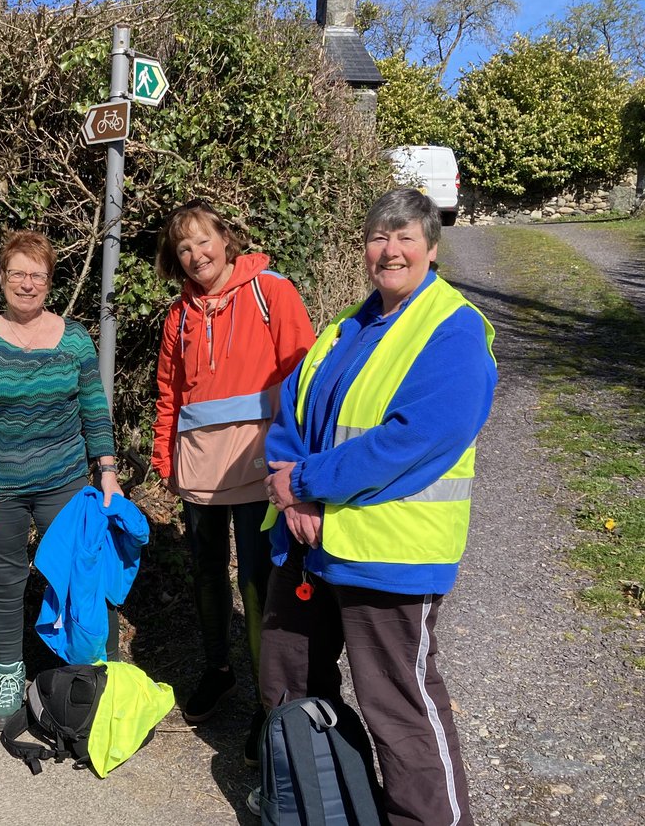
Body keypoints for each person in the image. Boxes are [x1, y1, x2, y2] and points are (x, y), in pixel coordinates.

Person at [256, 188, 497, 824]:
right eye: (378, 237)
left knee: (398, 707)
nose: (390, 250)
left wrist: (307, 483)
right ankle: (322, 801)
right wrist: (291, 480)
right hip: (308, 545)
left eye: (406, 237)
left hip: (388, 554)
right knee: (288, 685)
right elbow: (294, 408)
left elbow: (417, 438)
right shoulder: (346, 327)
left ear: (432, 248)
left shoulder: (453, 329)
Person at [151, 199, 314, 752]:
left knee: (257, 582)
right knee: (205, 573)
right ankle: (218, 670)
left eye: (203, 241)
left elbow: (303, 378)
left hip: (256, 464)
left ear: (226, 238)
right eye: (183, 249)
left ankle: (268, 706)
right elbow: (170, 395)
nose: (196, 255)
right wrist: (162, 457)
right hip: (198, 463)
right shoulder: (179, 316)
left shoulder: (273, 292)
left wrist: (297, 461)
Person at [0, 230, 123, 730]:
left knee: (80, 577)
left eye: (38, 275)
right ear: (2, 278)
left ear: (50, 282)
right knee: (4, 583)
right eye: (18, 273)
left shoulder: (74, 339)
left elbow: (95, 411)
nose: (27, 284)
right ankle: (9, 675)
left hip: (64, 479)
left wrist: (106, 472)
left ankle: (95, 670)